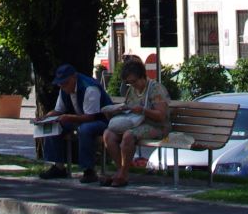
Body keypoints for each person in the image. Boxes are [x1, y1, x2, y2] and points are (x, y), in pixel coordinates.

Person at [102, 56, 169, 188]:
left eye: (134, 81)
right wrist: (117, 111)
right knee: (108, 135)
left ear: (142, 77)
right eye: (129, 83)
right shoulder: (132, 90)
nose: (132, 85)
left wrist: (143, 111)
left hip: (156, 126)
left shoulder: (156, 89)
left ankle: (123, 174)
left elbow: (161, 116)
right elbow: (129, 109)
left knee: (128, 135)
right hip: (135, 123)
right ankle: (122, 170)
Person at [39, 62, 111, 183]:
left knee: (85, 129)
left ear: (74, 77)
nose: (63, 86)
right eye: (60, 83)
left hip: (101, 120)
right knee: (54, 125)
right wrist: (45, 118)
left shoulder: (90, 88)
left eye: (65, 83)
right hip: (79, 118)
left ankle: (89, 170)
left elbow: (90, 117)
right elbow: (58, 110)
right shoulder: (64, 89)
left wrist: (68, 117)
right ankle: (58, 166)